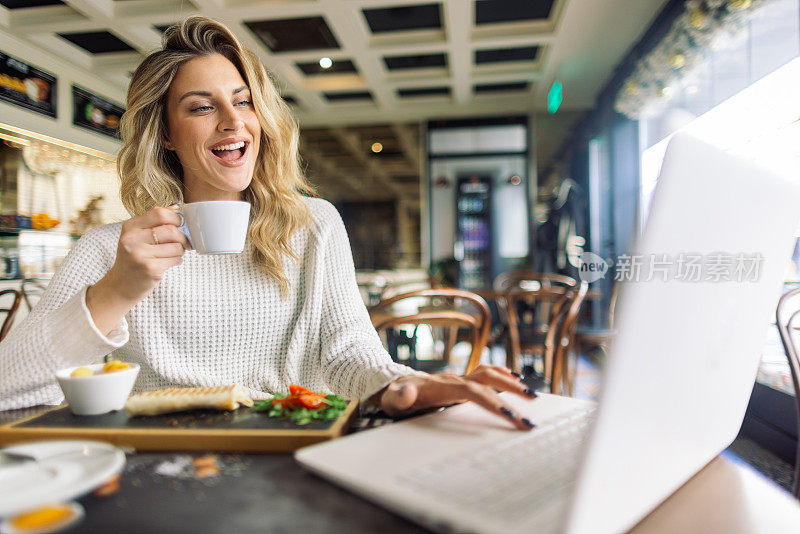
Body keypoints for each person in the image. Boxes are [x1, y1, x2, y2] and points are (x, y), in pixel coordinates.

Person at [0, 16, 536, 429]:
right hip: (158, 464)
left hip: (292, 449)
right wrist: (117, 290)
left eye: (244, 101)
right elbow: (8, 390)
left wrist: (404, 385)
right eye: (201, 107)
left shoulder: (315, 224)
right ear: (165, 132)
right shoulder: (110, 250)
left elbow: (349, 352)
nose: (234, 122)